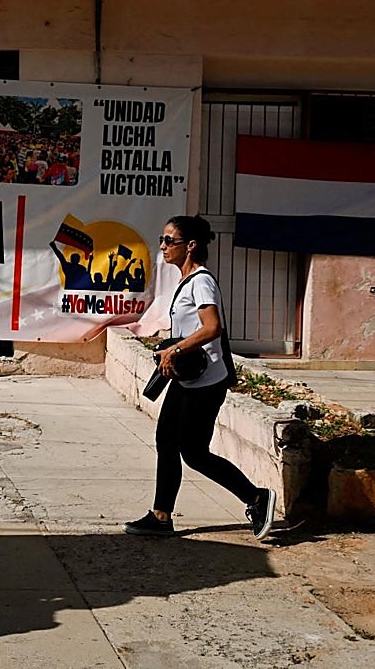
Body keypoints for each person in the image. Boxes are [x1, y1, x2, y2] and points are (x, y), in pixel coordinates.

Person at [124, 215, 277, 541]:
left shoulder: (201, 281)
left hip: (206, 382)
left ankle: (256, 497)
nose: (162, 246)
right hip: (187, 378)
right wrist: (169, 349)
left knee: (194, 453)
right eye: (162, 240)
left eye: (169, 241)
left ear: (190, 246)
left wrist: (176, 349)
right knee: (166, 442)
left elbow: (212, 328)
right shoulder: (186, 281)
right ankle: (161, 516)